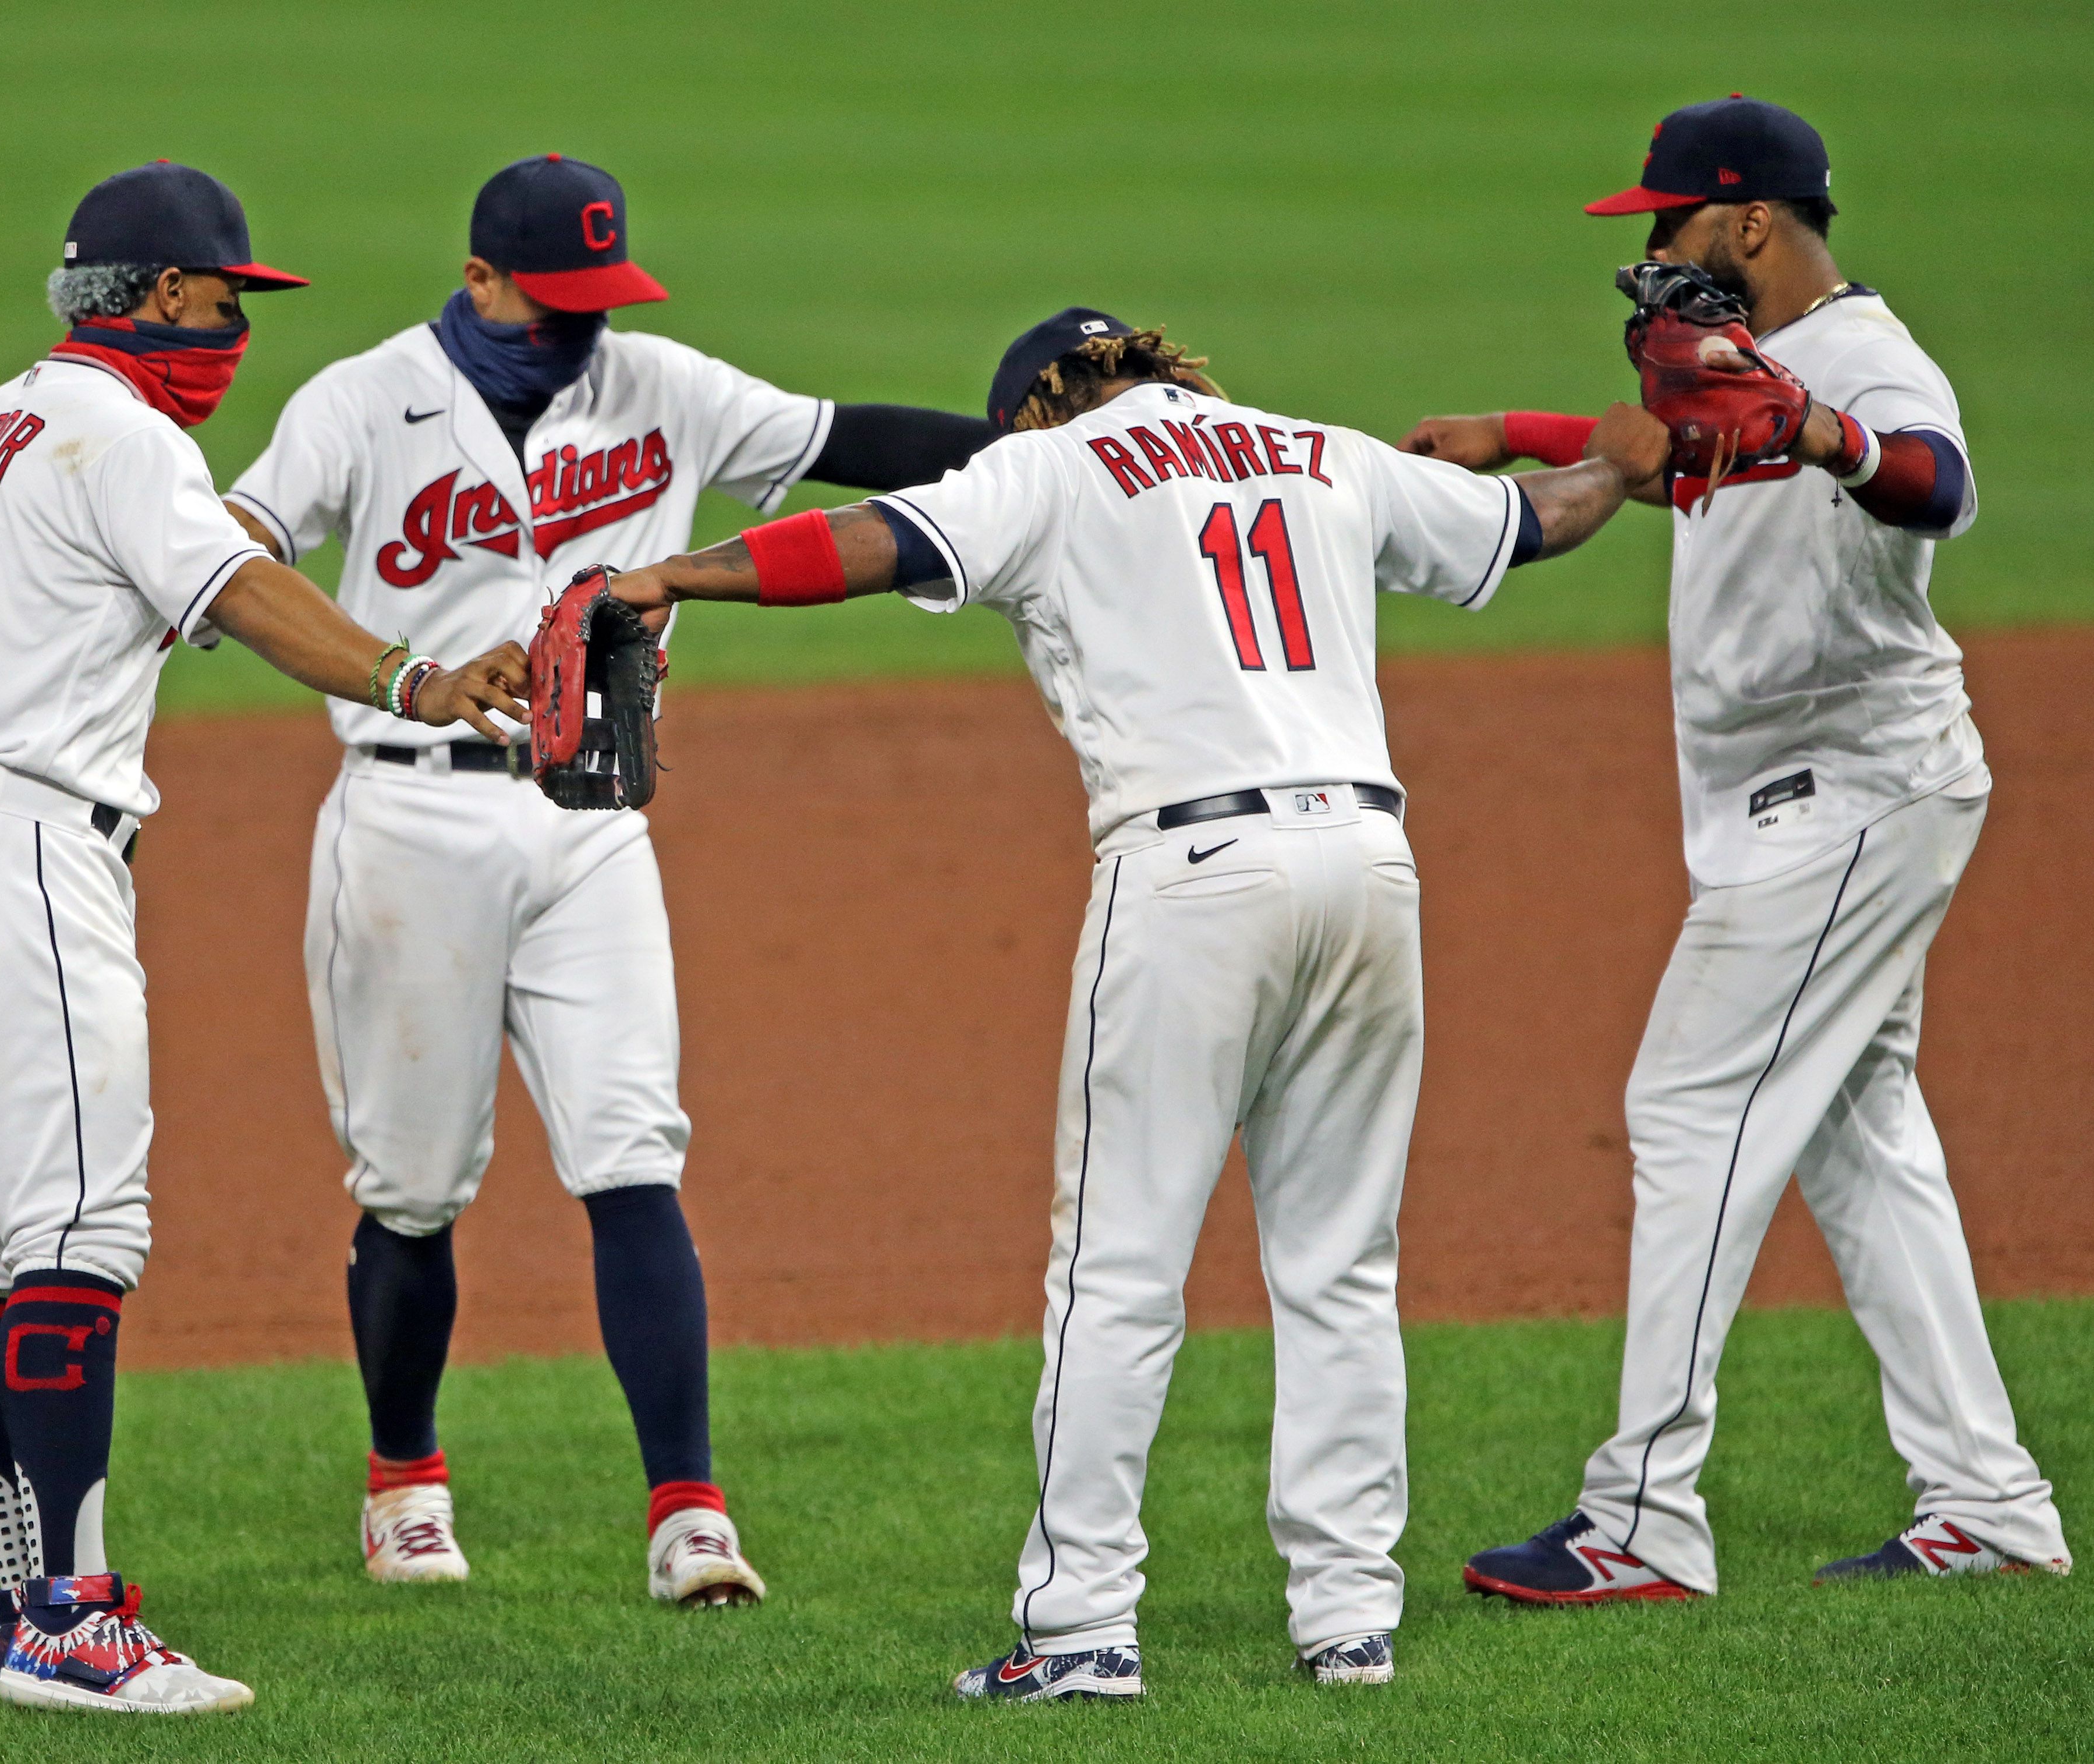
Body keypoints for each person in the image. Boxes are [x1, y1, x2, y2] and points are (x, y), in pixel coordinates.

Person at [599, 309, 1656, 1692]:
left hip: (1194, 875)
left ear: (1039, 405)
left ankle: (1081, 1629)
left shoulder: (1050, 469)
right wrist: (1625, 465)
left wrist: (679, 571)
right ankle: (1350, 1624)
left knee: (1116, 1274)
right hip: (1371, 866)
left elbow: (872, 543)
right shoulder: (1315, 449)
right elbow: (1532, 526)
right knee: (1341, 1266)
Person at [218, 153, 993, 1604]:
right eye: (549, 304)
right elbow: (244, 547)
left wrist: (1049, 446)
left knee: (635, 1151)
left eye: (597, 301)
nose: (578, 331)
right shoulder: (359, 400)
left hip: (593, 822)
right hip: (408, 828)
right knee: (413, 1188)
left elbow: (850, 437)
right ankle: (404, 1480)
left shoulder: (661, 383)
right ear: (479, 280)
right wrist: (405, 672)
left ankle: (690, 1513)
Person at [0, 161, 527, 1714]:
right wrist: (414, 681)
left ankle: (33, 1586)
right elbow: (245, 588)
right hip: (24, 850)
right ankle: (70, 1622)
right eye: (226, 300)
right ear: (161, 296)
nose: (236, 329)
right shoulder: (120, 427)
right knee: (80, 1235)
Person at [1405, 95, 2071, 1603]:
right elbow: (1687, 445)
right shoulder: (1737, 370)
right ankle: (1989, 1498)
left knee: (1687, 1105)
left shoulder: (1863, 357)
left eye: (1671, 218)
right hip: (1812, 792)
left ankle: (1640, 1515)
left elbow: (1936, 483)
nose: (1652, 248)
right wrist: (1511, 436)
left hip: (1845, 790)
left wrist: (1829, 431)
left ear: (1751, 221)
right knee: (1856, 1134)